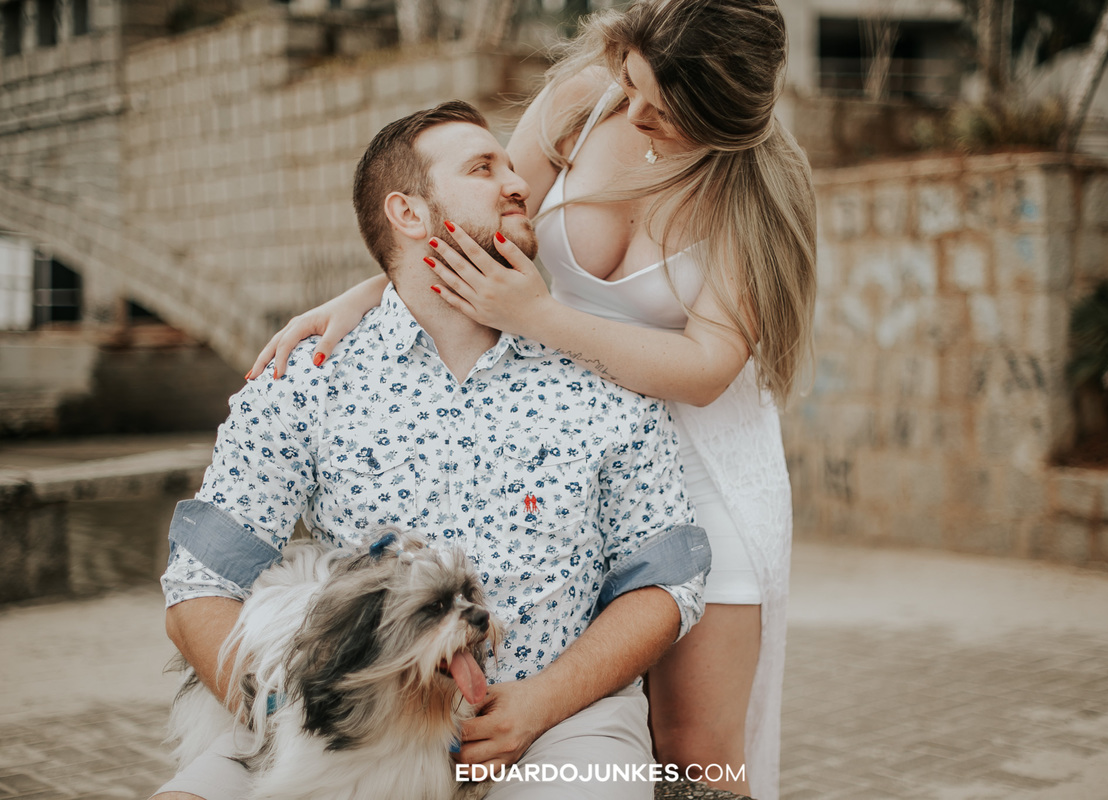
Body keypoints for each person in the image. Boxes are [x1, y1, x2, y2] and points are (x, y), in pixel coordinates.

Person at [250, 1, 817, 797]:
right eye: (632, 82)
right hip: (569, 457)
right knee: (584, 710)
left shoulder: (754, 186)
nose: (635, 111)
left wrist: (539, 318)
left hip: (704, 468)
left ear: (724, 116)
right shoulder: (586, 100)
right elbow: (474, 225)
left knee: (694, 750)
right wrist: (367, 295)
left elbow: (705, 368)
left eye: (663, 109)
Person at [153, 101, 711, 800]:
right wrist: (298, 721)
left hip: (560, 727)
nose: (520, 184)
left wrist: (541, 703)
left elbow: (666, 582)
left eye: (513, 167)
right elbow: (199, 584)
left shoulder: (604, 375)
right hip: (344, 737)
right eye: (484, 168)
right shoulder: (307, 379)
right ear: (408, 214)